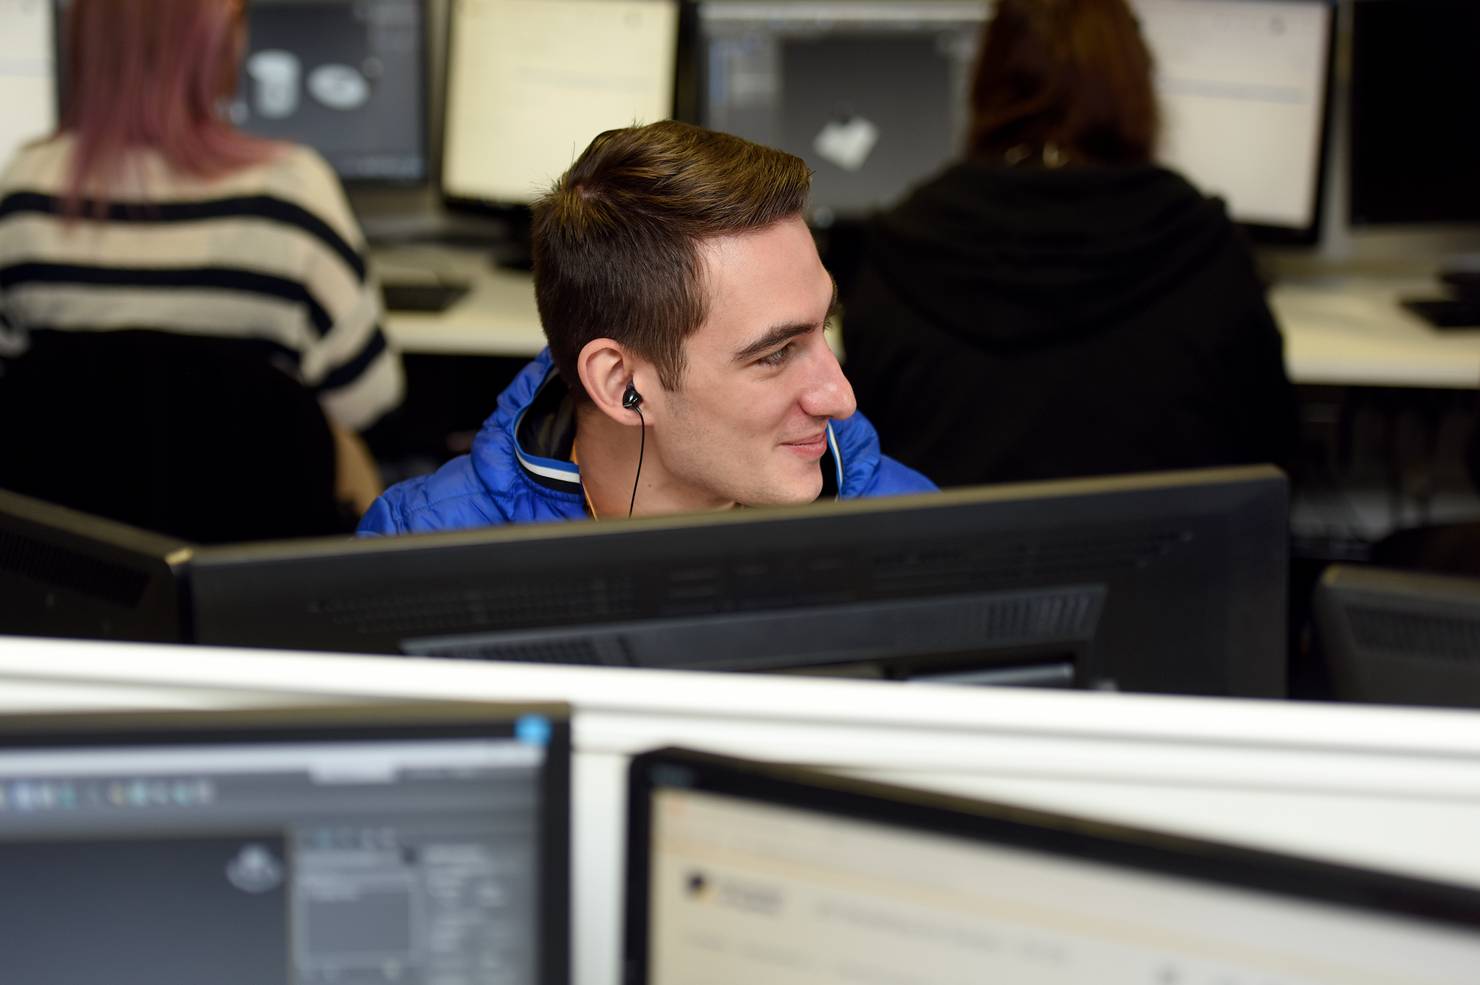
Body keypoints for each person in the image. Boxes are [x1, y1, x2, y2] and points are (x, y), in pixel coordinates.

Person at [360, 121, 933, 535]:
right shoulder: (423, 547)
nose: (840, 397)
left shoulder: (910, 530)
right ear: (620, 384)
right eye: (775, 353)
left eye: (822, 327)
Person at [840, 0, 1297, 489]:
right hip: (1166, 559)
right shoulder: (1204, 244)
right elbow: (1275, 455)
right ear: (1135, 86)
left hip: (943, 560)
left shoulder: (897, 247)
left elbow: (858, 462)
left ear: (986, 83)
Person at [0, 0, 401, 515]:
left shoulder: (24, 198)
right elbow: (370, 399)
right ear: (214, 45)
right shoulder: (294, 196)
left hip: (83, 570)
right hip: (254, 566)